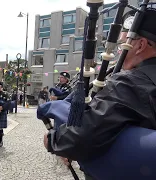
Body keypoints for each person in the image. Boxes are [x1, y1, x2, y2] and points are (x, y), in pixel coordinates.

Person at [43, 8, 156, 178]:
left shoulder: (129, 83)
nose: (118, 51)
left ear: (140, 45)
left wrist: (53, 140)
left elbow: (81, 137)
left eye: (121, 45)